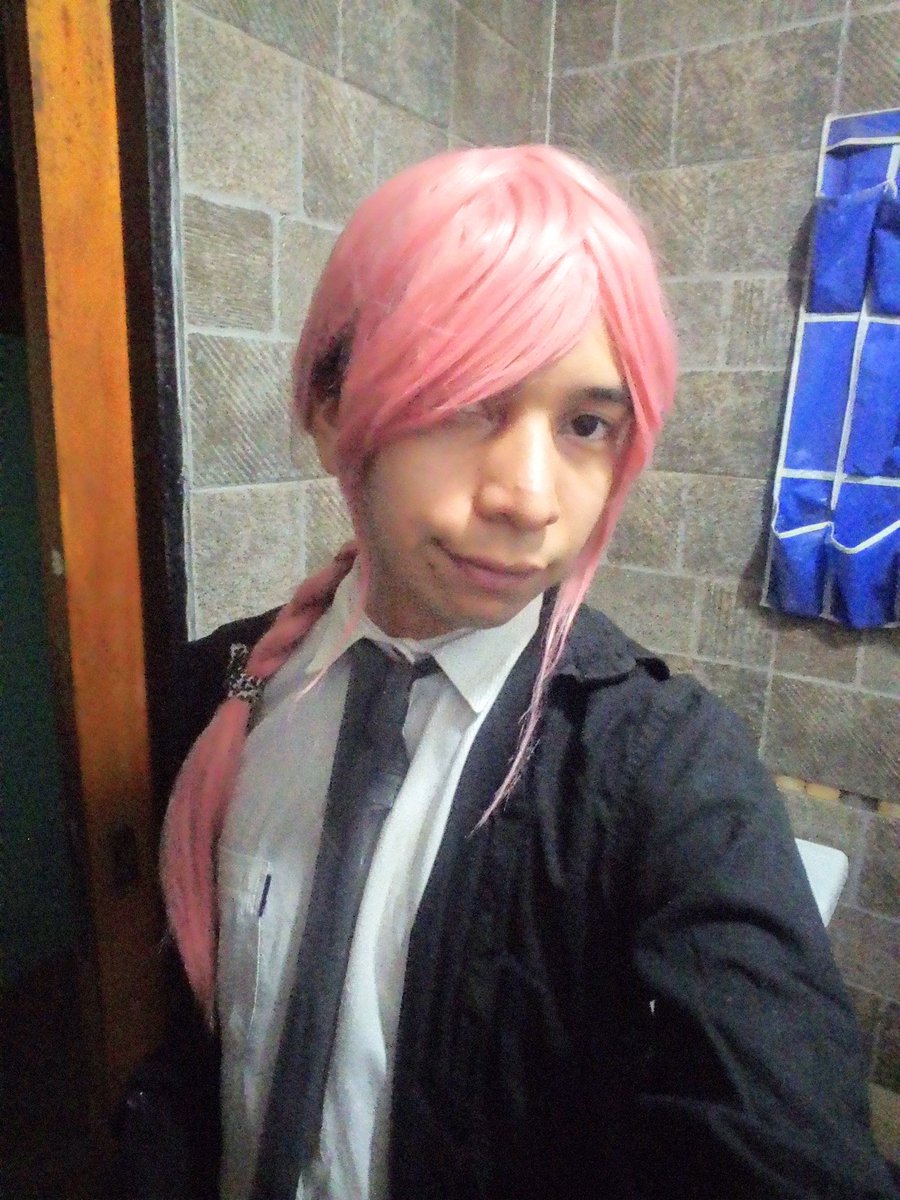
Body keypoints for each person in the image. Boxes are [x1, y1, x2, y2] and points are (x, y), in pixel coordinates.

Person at [158, 145, 896, 1200]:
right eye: (465, 402)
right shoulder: (220, 687)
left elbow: (781, 1141)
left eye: (586, 425)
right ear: (329, 407)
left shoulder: (664, 771)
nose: (530, 498)